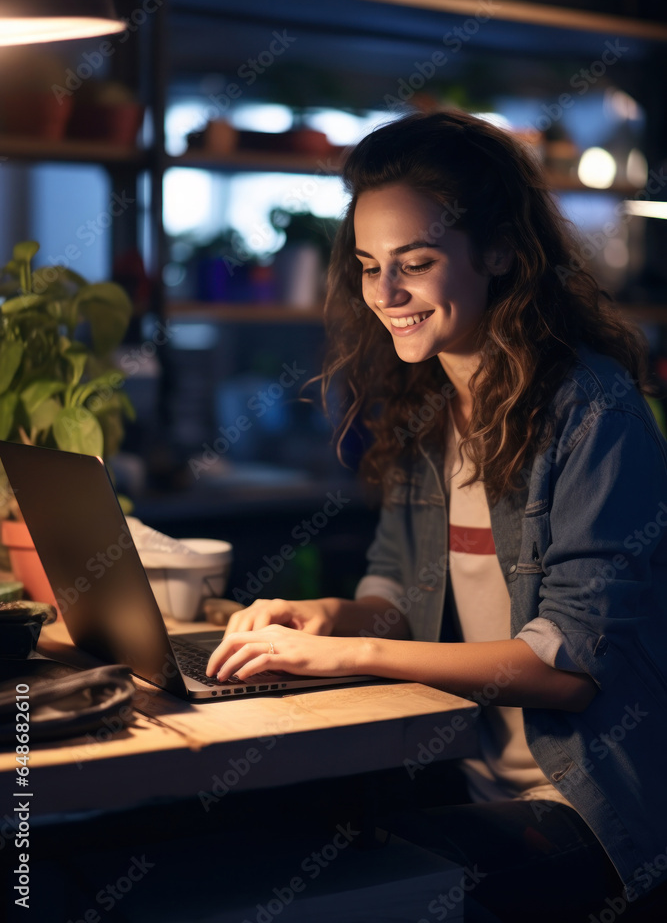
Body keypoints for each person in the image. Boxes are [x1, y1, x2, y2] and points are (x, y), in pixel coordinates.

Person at [207, 110, 667, 921]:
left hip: (589, 816)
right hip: (463, 774)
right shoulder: (428, 411)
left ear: (498, 254)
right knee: (219, 837)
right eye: (367, 264)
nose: (385, 294)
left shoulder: (593, 412)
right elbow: (396, 596)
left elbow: (567, 671)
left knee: (314, 892)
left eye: (414, 263)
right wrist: (322, 617)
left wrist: (353, 656)